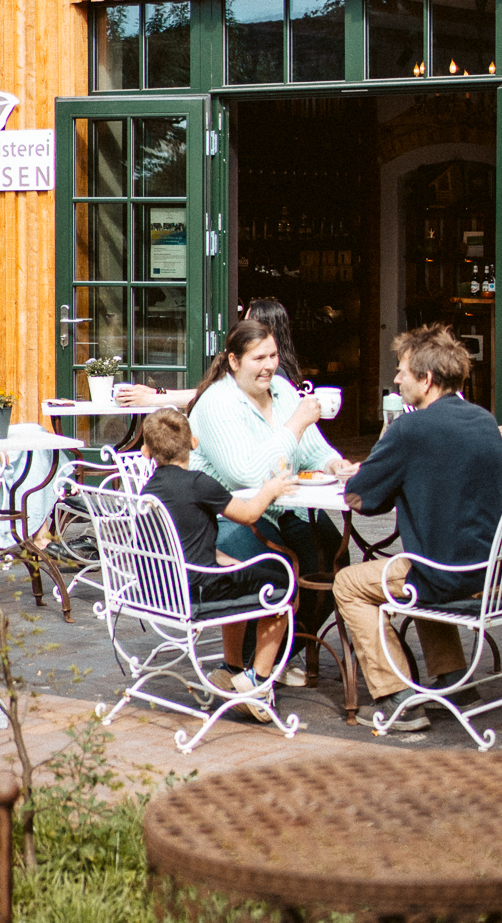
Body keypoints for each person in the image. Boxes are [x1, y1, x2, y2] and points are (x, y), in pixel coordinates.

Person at [335, 327, 502, 734]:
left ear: (426, 379)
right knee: (421, 561)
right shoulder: (484, 420)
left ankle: (395, 697)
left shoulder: (411, 429)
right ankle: (454, 682)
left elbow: (361, 499)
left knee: (347, 582)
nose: (396, 380)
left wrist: (384, 461)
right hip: (494, 568)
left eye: (402, 372)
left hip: (445, 574)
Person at [187, 316, 350, 687]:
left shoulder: (281, 389)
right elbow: (246, 473)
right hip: (229, 515)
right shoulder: (218, 403)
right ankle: (246, 668)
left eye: (273, 355)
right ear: (233, 361)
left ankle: (274, 658)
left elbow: (310, 448)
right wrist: (295, 424)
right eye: (258, 358)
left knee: (329, 559)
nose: (269, 366)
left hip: (281, 505)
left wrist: (333, 463)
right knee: (274, 573)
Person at [138, 407, 295, 697]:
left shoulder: (150, 490)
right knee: (283, 585)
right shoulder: (199, 484)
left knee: (237, 572)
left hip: (160, 589)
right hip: (195, 590)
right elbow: (248, 514)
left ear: (146, 452)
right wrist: (271, 489)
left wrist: (226, 561)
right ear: (193, 444)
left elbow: (182, 542)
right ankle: (258, 682)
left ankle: (231, 669)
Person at [113, 296, 303, 407]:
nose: (241, 325)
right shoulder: (275, 369)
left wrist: (150, 399)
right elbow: (213, 392)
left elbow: (214, 397)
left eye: (247, 321)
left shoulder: (272, 373)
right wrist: (157, 393)